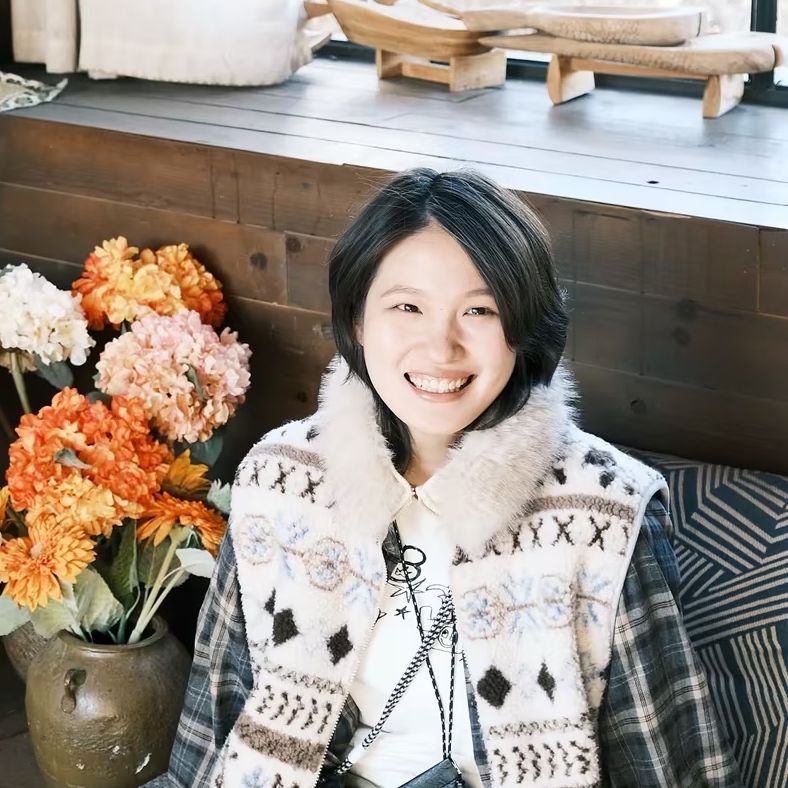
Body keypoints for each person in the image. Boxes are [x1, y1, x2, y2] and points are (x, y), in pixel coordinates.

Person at [167, 169, 741, 787]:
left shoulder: (603, 513)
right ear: (358, 320)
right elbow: (218, 717)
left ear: (523, 331)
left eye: (479, 310)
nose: (441, 348)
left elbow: (662, 762)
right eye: (407, 307)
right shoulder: (280, 478)